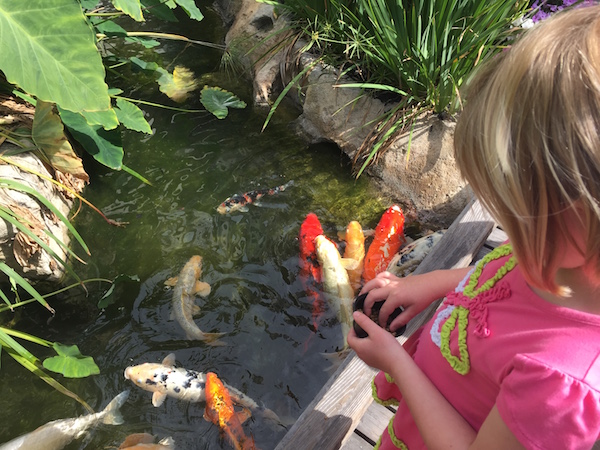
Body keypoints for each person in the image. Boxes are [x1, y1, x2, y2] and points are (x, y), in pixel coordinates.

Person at [347, 5, 600, 450]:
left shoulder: (563, 382)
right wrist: (429, 285)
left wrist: (397, 363)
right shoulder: (552, 254)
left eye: (517, 212)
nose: (507, 227)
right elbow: (500, 280)